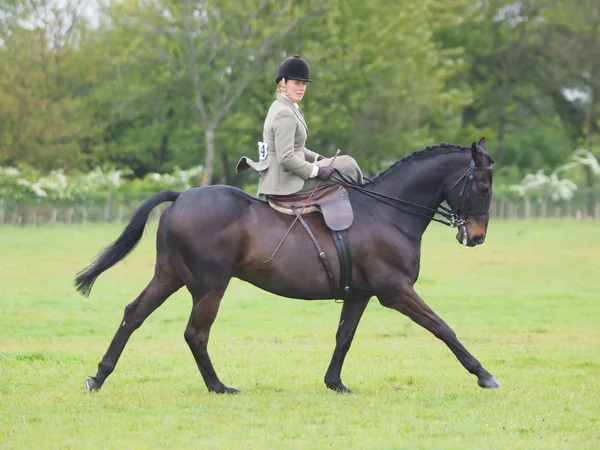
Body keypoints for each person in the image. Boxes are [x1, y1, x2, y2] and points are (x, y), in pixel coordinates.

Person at [236, 55, 363, 198]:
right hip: (285, 182)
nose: (301, 88)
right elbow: (286, 157)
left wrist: (317, 158)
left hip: (286, 174)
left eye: (304, 84)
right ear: (283, 83)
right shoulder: (284, 113)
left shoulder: (284, 105)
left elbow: (296, 147)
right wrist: (316, 171)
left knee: (347, 162)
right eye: (296, 83)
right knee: (348, 170)